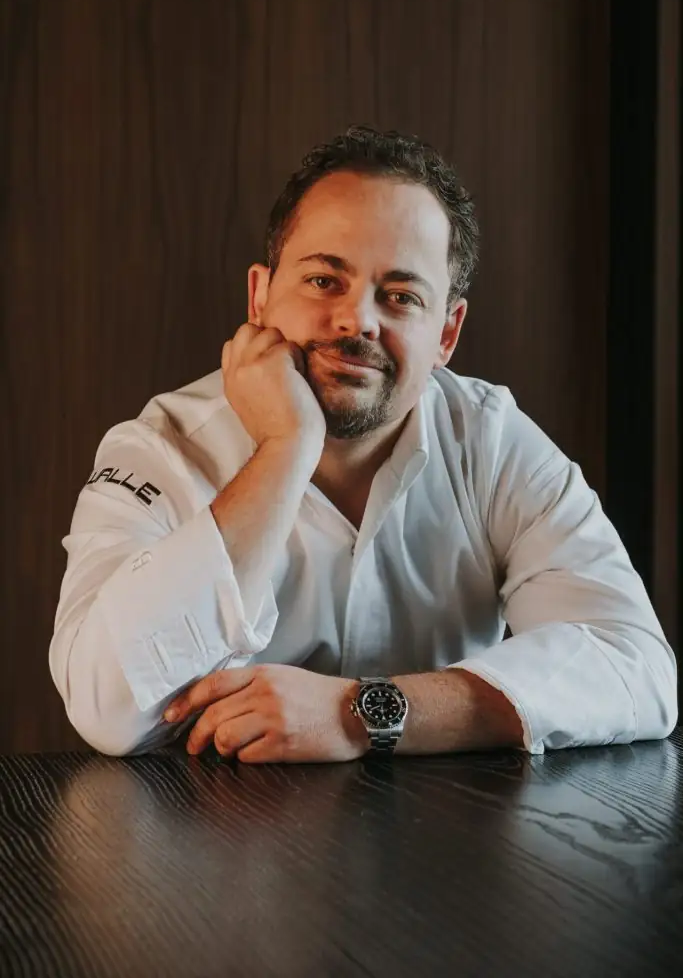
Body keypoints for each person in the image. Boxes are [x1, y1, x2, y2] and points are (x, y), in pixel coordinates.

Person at [49, 124, 678, 762]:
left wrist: (364, 713)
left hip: (449, 845)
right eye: (325, 281)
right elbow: (106, 706)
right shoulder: (159, 449)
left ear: (447, 334)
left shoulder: (492, 442)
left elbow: (636, 668)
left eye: (401, 296)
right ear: (260, 297)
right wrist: (285, 448)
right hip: (213, 846)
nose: (358, 321)